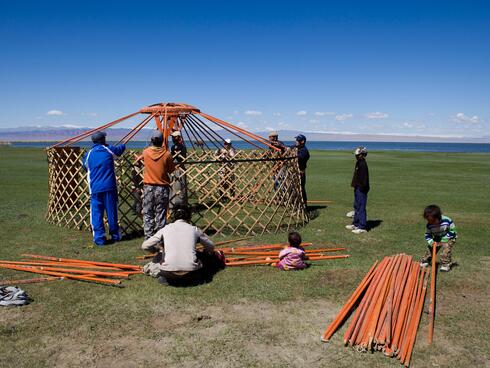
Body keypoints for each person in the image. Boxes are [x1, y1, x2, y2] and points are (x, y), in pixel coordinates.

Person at [141, 205, 222, 286]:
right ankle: (194, 279)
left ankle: (165, 278)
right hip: (191, 273)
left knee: (154, 263)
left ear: (173, 217)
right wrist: (206, 252)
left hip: (169, 272)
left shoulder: (166, 229)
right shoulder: (194, 229)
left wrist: (155, 250)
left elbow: (145, 246)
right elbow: (211, 247)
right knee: (203, 259)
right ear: (189, 217)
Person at [82, 131, 125, 246]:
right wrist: (124, 144)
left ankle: (99, 239)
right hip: (109, 187)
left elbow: (85, 167)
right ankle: (115, 236)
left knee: (96, 213)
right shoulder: (108, 149)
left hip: (95, 188)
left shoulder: (89, 154)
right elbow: (119, 150)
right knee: (112, 213)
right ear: (103, 140)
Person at [136, 130, 175, 239]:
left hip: (149, 187)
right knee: (161, 213)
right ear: (162, 141)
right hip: (162, 187)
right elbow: (171, 170)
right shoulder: (167, 154)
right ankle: (160, 238)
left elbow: (139, 160)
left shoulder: (146, 152)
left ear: (151, 140)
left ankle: (148, 237)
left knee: (148, 212)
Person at [419, 205, 457, 272]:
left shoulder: (447, 220)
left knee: (446, 248)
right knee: (430, 248)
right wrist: (431, 242)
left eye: (433, 221)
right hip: (437, 237)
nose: (431, 222)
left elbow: (453, 231)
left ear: (438, 217)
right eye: (428, 220)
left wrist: (445, 238)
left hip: (450, 237)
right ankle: (426, 260)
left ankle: (446, 264)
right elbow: (428, 235)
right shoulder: (429, 225)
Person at [346, 147, 370, 234]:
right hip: (357, 187)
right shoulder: (359, 162)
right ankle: (356, 224)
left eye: (357, 155)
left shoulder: (363, 164)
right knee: (356, 206)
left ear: (361, 155)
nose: (355, 156)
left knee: (361, 207)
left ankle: (362, 227)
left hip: (361, 189)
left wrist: (361, 188)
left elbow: (364, 179)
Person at [170, 130, 188, 209]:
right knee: (173, 187)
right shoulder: (173, 147)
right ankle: (173, 204)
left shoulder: (182, 147)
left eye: (174, 137)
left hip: (179, 169)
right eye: (172, 137)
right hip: (173, 169)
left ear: (178, 137)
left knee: (180, 187)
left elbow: (183, 159)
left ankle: (181, 204)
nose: (173, 138)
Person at [293, 134, 310, 205]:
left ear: (302, 141)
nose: (296, 141)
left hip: (300, 173)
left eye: (297, 140)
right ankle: (296, 203)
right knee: (294, 189)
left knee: (301, 189)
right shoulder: (297, 148)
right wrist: (281, 146)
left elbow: (299, 158)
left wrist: (293, 152)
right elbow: (288, 147)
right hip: (295, 173)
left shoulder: (304, 151)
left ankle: (304, 204)